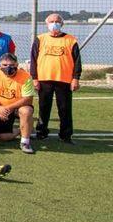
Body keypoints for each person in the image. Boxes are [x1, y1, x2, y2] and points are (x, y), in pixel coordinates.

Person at [31, 13, 81, 144]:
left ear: (62, 24)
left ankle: (65, 135)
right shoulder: (40, 39)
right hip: (44, 79)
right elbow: (33, 60)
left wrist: (75, 78)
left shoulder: (71, 40)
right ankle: (41, 133)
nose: (54, 23)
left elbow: (77, 61)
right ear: (47, 24)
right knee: (43, 107)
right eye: (51, 21)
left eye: (57, 21)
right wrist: (34, 78)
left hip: (64, 79)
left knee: (64, 109)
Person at [0, 53, 36, 153]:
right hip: (1, 108)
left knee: (26, 110)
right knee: (3, 137)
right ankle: (24, 128)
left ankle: (25, 142)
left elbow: (28, 99)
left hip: (17, 107)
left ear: (17, 64)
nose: (8, 68)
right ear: (0, 65)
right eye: (5, 65)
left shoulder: (25, 76)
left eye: (11, 65)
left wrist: (7, 108)